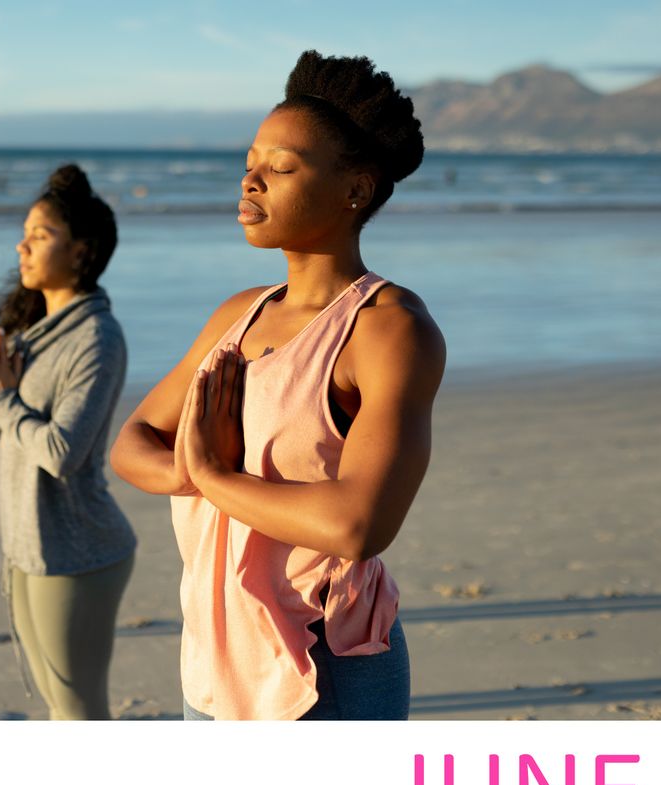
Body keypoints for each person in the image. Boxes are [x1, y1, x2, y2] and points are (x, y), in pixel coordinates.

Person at [110, 51, 446, 720]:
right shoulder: (239, 314)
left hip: (325, 659)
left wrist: (209, 474)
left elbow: (358, 525)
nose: (251, 180)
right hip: (215, 650)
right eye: (250, 164)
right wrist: (190, 472)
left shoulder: (387, 329)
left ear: (355, 188)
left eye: (281, 167)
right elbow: (132, 442)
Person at [0, 165, 136, 720]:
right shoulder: (33, 333)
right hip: (27, 546)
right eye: (25, 232)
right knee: (58, 707)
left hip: (79, 553)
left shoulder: (97, 339)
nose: (23, 245)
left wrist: (4, 398)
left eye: (40, 235)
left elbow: (63, 453)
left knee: (79, 713)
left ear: (81, 252)